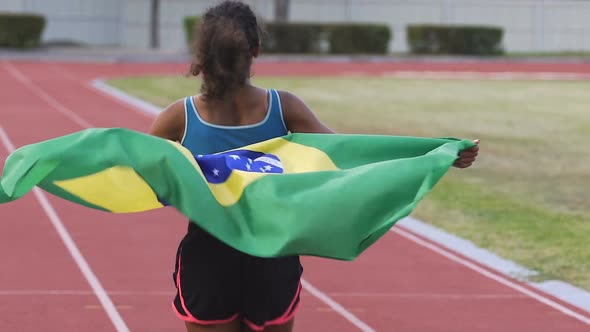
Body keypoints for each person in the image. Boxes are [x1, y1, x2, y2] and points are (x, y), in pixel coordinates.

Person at [148, 1, 479, 331]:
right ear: (256, 50)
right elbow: (347, 159)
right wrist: (437, 154)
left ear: (202, 53)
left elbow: (144, 176)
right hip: (273, 257)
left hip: (209, 258)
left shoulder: (179, 117)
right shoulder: (283, 108)